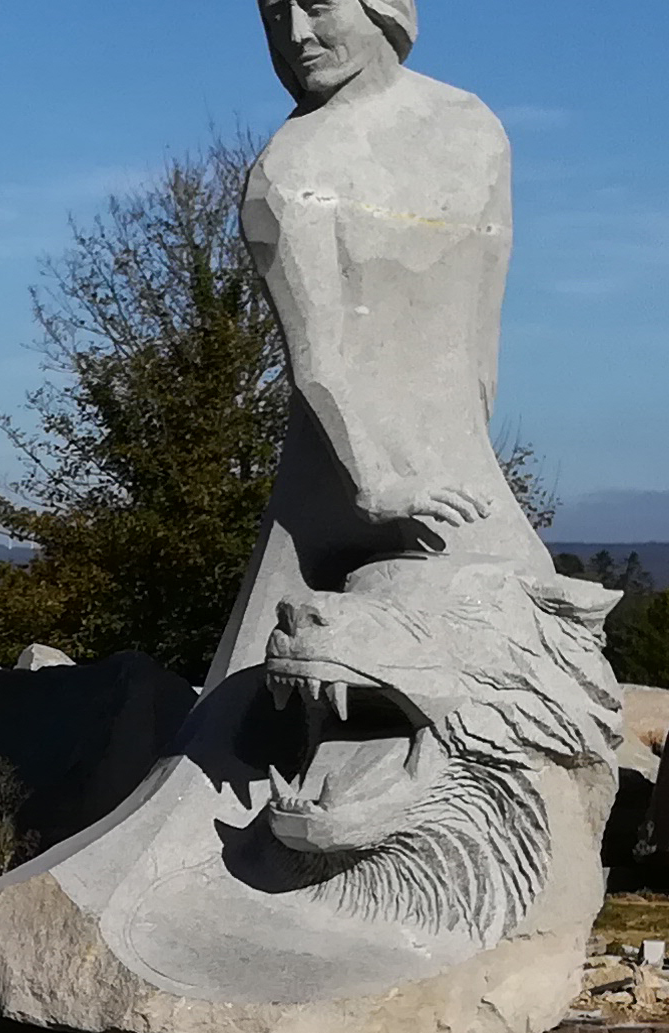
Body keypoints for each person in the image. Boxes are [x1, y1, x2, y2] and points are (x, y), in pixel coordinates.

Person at [212, 0, 553, 684]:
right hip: (347, 474)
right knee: (261, 699)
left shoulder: (472, 128)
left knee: (541, 622)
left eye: (317, 6)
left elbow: (481, 324)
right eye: (275, 16)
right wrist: (377, 484)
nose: (297, 35)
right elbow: (318, 361)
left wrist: (464, 448)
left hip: (453, 462)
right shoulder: (284, 175)